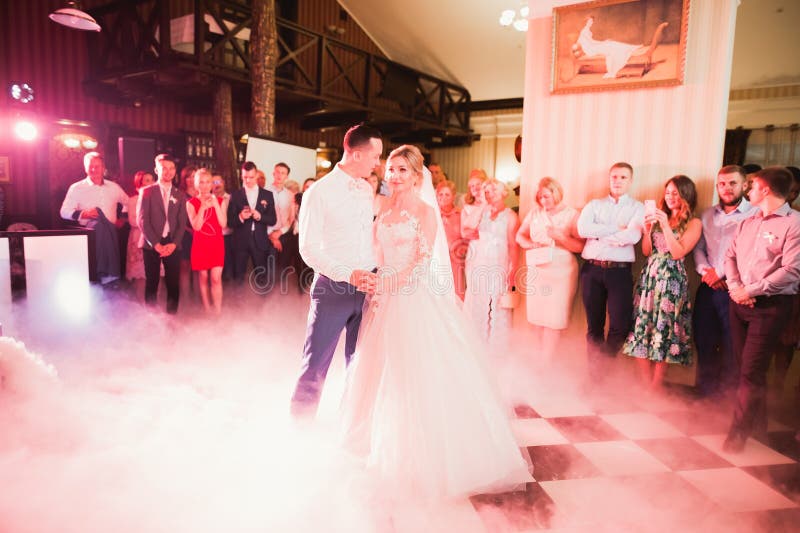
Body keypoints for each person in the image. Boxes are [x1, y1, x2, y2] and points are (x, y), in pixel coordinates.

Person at [339, 144, 531, 501]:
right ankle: (377, 443)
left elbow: (421, 262)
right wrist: (374, 278)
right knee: (381, 370)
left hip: (414, 296)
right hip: (385, 295)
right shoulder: (382, 208)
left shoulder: (425, 212)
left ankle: (425, 455)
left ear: (416, 176)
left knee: (417, 372)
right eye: (391, 169)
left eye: (401, 170)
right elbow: (378, 252)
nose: (394, 176)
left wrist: (390, 283)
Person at [290, 124, 382, 417]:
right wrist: (348, 274)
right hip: (332, 289)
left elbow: (367, 236)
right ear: (355, 154)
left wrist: (374, 273)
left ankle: (350, 424)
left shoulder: (367, 190)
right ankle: (300, 426)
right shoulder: (319, 192)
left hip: (368, 288)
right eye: (375, 156)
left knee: (360, 364)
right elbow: (308, 248)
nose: (377, 163)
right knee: (316, 363)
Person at [723, 166, 800, 452]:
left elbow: (792, 271)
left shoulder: (794, 224)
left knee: (751, 371)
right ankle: (758, 425)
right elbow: (729, 256)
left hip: (770, 307)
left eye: (752, 185)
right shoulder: (748, 221)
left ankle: (737, 435)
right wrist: (735, 288)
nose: (749, 190)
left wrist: (751, 290)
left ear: (765, 189)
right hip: (739, 303)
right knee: (745, 369)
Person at [623, 176, 702, 389]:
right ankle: (646, 384)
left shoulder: (694, 223)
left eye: (675, 193)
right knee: (642, 327)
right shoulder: (658, 217)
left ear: (686, 194)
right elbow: (647, 251)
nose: (670, 197)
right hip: (649, 278)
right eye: (667, 192)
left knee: (663, 330)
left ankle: (655, 387)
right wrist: (648, 231)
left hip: (671, 281)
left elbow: (678, 253)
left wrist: (666, 225)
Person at [692, 166, 756, 398]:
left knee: (733, 346)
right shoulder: (707, 214)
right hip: (707, 288)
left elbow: (750, 253)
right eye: (722, 184)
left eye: (732, 183)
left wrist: (721, 274)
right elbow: (699, 248)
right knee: (704, 341)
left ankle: (727, 400)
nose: (726, 188)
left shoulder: (755, 215)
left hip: (736, 290)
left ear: (745, 185)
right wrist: (706, 272)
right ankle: (704, 395)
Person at [577, 162, 644, 380]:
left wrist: (599, 234)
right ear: (609, 179)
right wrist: (618, 230)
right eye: (614, 176)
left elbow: (633, 237)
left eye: (623, 177)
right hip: (592, 271)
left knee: (620, 326)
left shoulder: (638, 208)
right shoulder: (594, 205)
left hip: (619, 273)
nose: (617, 181)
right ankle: (595, 380)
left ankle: (601, 371)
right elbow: (583, 229)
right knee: (593, 327)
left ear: (630, 181)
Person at [516, 177, 584, 362]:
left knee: (554, 319)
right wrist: (531, 244)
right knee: (537, 318)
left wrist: (561, 237)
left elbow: (580, 247)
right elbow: (520, 236)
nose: (543, 201)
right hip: (537, 269)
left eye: (546, 196)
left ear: (556, 193)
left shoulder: (572, 214)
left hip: (561, 271)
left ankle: (546, 364)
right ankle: (537, 358)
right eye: (540, 197)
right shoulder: (535, 213)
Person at [462, 178, 520, 351]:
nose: (490, 193)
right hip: (479, 264)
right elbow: (467, 227)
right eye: (486, 191)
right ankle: (476, 343)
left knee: (497, 305)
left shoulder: (510, 216)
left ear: (504, 193)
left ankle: (497, 347)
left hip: (499, 264)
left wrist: (513, 270)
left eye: (494, 190)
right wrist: (481, 206)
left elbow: (513, 245)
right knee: (478, 303)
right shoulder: (483, 213)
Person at [60, 152, 130, 284]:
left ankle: (111, 285)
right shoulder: (76, 188)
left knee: (110, 283)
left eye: (97, 166)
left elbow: (128, 202)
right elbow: (64, 212)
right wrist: (83, 214)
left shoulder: (114, 187)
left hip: (112, 235)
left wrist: (123, 218)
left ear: (104, 168)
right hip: (88, 236)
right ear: (85, 168)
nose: (94, 169)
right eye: (90, 166)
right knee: (92, 277)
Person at [137, 153, 188, 314]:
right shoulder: (147, 191)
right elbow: (142, 220)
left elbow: (182, 224)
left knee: (173, 284)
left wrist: (173, 244)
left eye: (171, 168)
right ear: (156, 170)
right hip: (151, 244)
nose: (168, 171)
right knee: (152, 282)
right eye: (164, 168)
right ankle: (152, 321)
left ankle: (171, 320)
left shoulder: (180, 194)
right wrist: (156, 244)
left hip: (173, 243)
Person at [226, 162, 277, 292]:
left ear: (257, 176)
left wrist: (260, 217)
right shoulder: (235, 195)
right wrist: (240, 217)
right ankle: (238, 306)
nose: (248, 180)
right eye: (245, 177)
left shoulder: (267, 195)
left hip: (260, 241)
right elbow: (230, 222)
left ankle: (263, 308)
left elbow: (273, 220)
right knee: (239, 277)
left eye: (251, 177)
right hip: (240, 241)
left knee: (261, 276)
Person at [186, 168, 227, 314]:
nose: (204, 185)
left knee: (215, 278)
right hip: (200, 244)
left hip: (216, 244)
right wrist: (203, 206)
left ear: (211, 184)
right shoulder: (191, 203)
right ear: (196, 184)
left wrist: (214, 203)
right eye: (201, 182)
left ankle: (218, 312)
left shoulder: (221, 201)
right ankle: (207, 309)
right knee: (203, 277)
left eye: (207, 182)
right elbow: (197, 226)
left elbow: (223, 224)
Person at [574, 16, 648, 79]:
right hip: (591, 49)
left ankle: (631, 48)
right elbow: (590, 43)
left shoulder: (587, 30)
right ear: (586, 22)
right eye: (590, 21)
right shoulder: (584, 31)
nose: (591, 23)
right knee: (611, 45)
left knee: (611, 43)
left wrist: (603, 42)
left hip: (594, 46)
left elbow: (593, 41)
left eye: (592, 21)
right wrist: (603, 43)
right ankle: (630, 48)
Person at [436, 180, 467, 300]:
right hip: (437, 260)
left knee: (455, 295)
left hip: (455, 260)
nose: (443, 197)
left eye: (447, 194)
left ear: (453, 196)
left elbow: (466, 239)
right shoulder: (432, 213)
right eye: (440, 194)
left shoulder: (461, 214)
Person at [266, 162, 295, 285]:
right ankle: (266, 298)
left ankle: (280, 297)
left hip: (285, 235)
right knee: (269, 269)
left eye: (283, 173)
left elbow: (291, 219)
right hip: (268, 235)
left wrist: (280, 232)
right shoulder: (264, 192)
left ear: (287, 176)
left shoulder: (290, 195)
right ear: (273, 173)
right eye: (277, 172)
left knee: (283, 268)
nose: (279, 175)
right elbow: (260, 217)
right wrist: (272, 235)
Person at [126, 170, 155, 284]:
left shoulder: (157, 199)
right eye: (147, 180)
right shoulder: (134, 200)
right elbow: (133, 221)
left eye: (152, 180)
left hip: (155, 238)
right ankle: (140, 302)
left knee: (157, 274)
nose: (151, 183)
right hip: (139, 238)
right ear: (140, 183)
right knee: (141, 275)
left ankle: (156, 301)